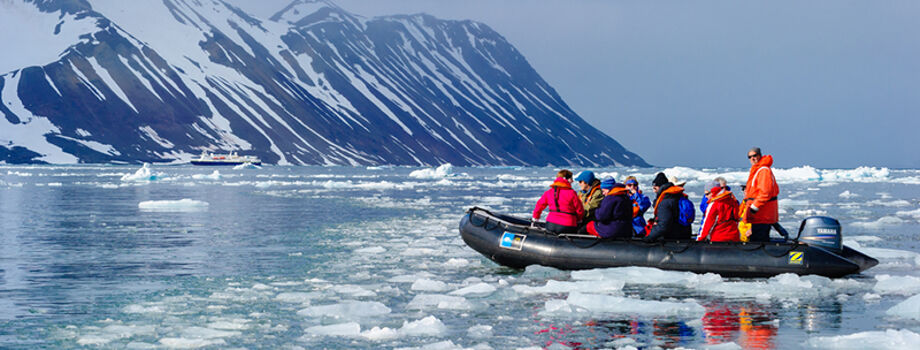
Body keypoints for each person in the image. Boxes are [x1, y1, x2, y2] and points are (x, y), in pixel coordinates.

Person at [742, 147, 779, 242]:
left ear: (759, 155)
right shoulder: (757, 170)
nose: (752, 158)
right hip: (759, 216)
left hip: (762, 215)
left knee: (759, 240)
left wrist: (754, 208)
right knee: (757, 237)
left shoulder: (763, 171)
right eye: (749, 157)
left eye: (754, 155)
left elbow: (765, 192)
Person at [533, 169, 585, 234]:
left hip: (550, 224)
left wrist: (536, 218)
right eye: (571, 178)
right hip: (568, 225)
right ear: (566, 179)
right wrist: (578, 221)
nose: (572, 181)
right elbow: (579, 210)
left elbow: (539, 205)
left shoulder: (549, 192)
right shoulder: (572, 193)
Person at [645, 172, 692, 241]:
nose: (654, 189)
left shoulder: (665, 202)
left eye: (655, 187)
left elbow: (663, 225)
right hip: (685, 235)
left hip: (672, 238)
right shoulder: (678, 196)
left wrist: (649, 238)